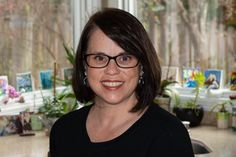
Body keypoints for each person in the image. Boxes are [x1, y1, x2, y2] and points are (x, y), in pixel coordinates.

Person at [49, 8, 194, 157]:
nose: (112, 70)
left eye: (125, 58)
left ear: (142, 65)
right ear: (84, 65)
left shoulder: (168, 135)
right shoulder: (63, 131)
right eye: (99, 58)